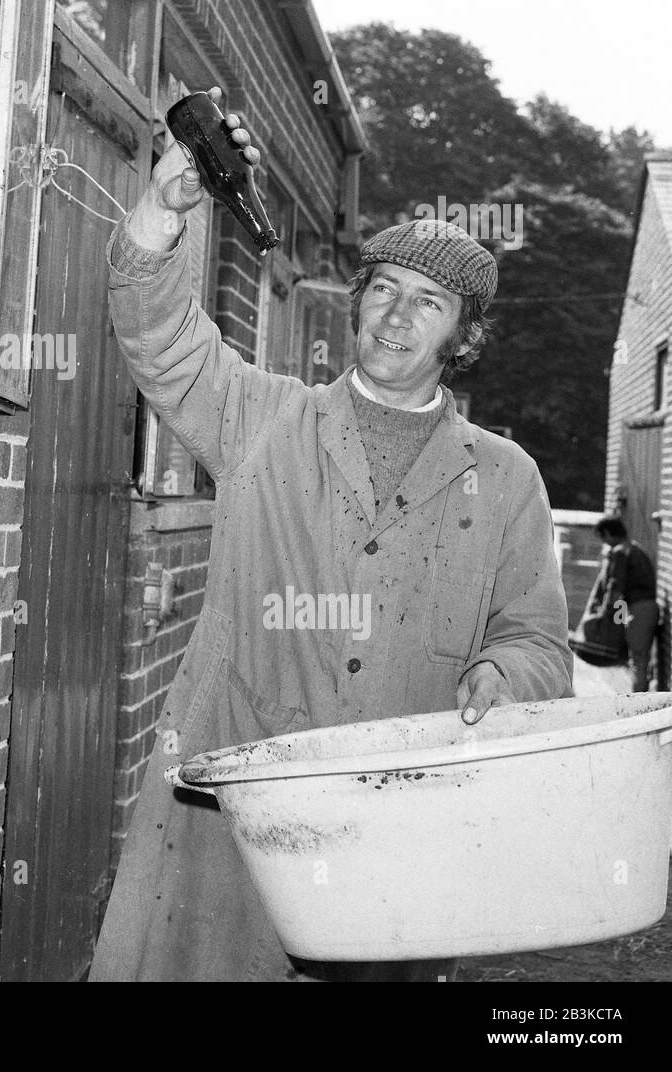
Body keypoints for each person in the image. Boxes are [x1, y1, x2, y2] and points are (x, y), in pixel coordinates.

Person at [90, 89, 572, 983]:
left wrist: (500, 674)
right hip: (237, 814)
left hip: (398, 833)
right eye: (381, 291)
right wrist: (166, 205)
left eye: (426, 303)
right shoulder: (262, 418)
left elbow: (537, 640)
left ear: (464, 337)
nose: (394, 317)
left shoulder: (507, 478)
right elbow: (160, 337)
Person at [591, 516, 659, 692]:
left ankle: (639, 701)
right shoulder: (635, 548)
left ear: (607, 533)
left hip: (638, 608)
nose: (604, 542)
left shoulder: (620, 552)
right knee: (640, 657)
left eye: (603, 537)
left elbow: (615, 587)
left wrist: (607, 615)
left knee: (637, 658)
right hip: (646, 607)